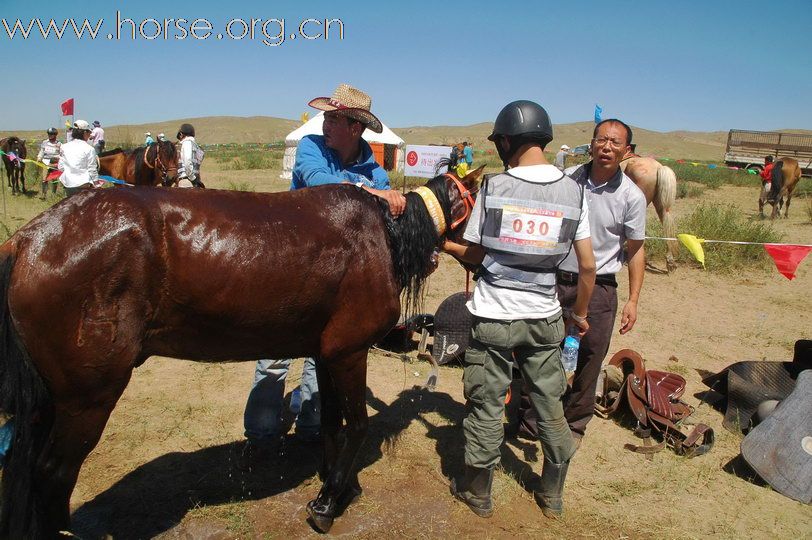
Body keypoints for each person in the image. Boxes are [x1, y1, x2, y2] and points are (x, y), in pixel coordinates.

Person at [443, 100, 596, 519]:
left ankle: (478, 493)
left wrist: (443, 243)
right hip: (544, 317)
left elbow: (476, 253)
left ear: (507, 140)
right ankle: (551, 495)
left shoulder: (495, 187)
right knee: (549, 402)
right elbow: (587, 266)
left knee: (486, 402)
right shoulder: (574, 191)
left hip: (493, 315)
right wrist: (579, 316)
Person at [240, 83, 406, 470]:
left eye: (333, 117)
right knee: (274, 354)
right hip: (290, 268)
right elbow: (317, 182)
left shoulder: (376, 173)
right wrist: (373, 194)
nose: (324, 123)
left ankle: (313, 429)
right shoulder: (312, 147)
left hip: (338, 282)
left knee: (323, 357)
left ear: (355, 127)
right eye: (326, 116)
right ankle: (262, 435)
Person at [515, 119, 647, 449]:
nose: (607, 147)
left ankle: (572, 426)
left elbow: (636, 250)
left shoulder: (631, 196)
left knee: (589, 359)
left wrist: (633, 299)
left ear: (626, 151)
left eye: (615, 143)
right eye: (601, 140)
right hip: (555, 281)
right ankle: (531, 422)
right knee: (539, 352)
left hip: (601, 288)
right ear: (591, 144)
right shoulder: (568, 180)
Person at [58, 120, 99, 196]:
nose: (90, 134)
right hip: (83, 184)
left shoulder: (64, 147)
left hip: (68, 184)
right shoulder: (89, 149)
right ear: (84, 133)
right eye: (89, 132)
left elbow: (60, 167)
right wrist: (96, 183)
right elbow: (92, 169)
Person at [176, 123, 205, 188]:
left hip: (187, 180)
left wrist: (193, 178)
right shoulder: (197, 146)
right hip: (196, 180)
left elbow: (187, 162)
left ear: (181, 134)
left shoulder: (187, 143)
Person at [36, 127, 61, 199]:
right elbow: (42, 151)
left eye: (51, 134)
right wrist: (39, 157)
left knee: (54, 179)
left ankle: (54, 194)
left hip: (55, 163)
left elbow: (61, 153)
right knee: (44, 179)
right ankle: (44, 195)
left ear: (55, 135)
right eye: (49, 134)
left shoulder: (59, 143)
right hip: (46, 162)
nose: (50, 135)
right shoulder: (44, 142)